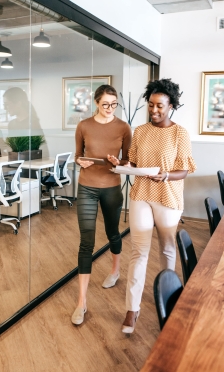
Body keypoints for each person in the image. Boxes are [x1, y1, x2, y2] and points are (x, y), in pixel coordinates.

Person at [121, 79, 196, 333]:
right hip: (141, 193)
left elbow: (184, 170)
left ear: (171, 106)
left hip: (168, 196)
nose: (154, 110)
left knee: (166, 249)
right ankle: (132, 309)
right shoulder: (140, 131)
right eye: (151, 105)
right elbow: (133, 163)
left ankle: (169, 297)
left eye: (160, 106)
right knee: (138, 251)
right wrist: (121, 164)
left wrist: (166, 175)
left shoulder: (180, 133)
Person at [71, 85, 132, 325]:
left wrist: (120, 162)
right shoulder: (84, 126)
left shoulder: (123, 128)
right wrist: (80, 162)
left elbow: (128, 160)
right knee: (86, 241)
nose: (110, 109)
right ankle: (81, 302)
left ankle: (115, 270)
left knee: (112, 233)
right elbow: (77, 155)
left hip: (112, 188)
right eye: (106, 104)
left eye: (114, 104)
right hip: (86, 186)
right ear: (97, 102)